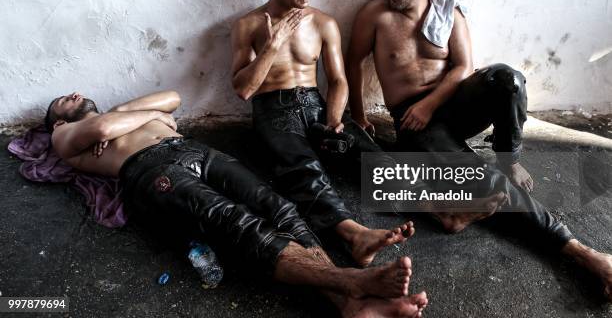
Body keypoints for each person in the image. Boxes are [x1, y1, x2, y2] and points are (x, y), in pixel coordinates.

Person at [346, 0, 612, 300]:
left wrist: (431, 104)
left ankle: (509, 158)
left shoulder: (446, 9)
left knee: (507, 78)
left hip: (450, 104)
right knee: (487, 185)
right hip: (414, 124)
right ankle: (582, 252)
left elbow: (463, 67)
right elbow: (352, 62)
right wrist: (360, 115)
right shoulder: (374, 15)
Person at [45, 90, 428, 317]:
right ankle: (354, 282)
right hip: (149, 169)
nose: (74, 95)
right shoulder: (65, 136)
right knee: (237, 222)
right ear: (57, 122)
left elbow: (174, 99)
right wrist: (147, 118)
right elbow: (103, 129)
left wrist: (131, 116)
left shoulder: (118, 113)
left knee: (278, 207)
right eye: (64, 100)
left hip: (194, 150)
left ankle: (348, 302)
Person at [230, 0, 411, 268]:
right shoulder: (249, 25)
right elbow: (244, 90)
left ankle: (446, 207)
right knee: (304, 168)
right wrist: (273, 45)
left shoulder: (322, 22)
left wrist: (333, 119)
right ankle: (354, 235)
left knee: (363, 148)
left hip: (316, 105)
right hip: (273, 111)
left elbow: (338, 80)